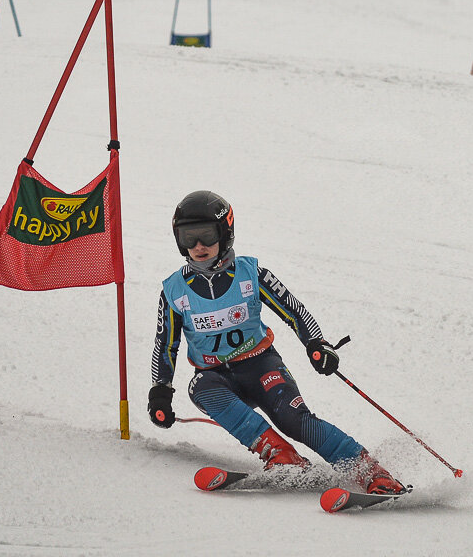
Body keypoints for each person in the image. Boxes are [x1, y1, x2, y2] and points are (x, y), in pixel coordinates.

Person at [149, 191, 407, 496]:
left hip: (260, 365)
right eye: (188, 237)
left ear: (225, 233)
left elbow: (294, 310)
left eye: (206, 235)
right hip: (216, 377)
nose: (198, 246)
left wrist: (317, 344)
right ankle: (282, 456)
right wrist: (160, 389)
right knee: (200, 387)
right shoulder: (174, 291)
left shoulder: (250, 274)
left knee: (294, 420)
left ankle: (370, 472)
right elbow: (165, 345)